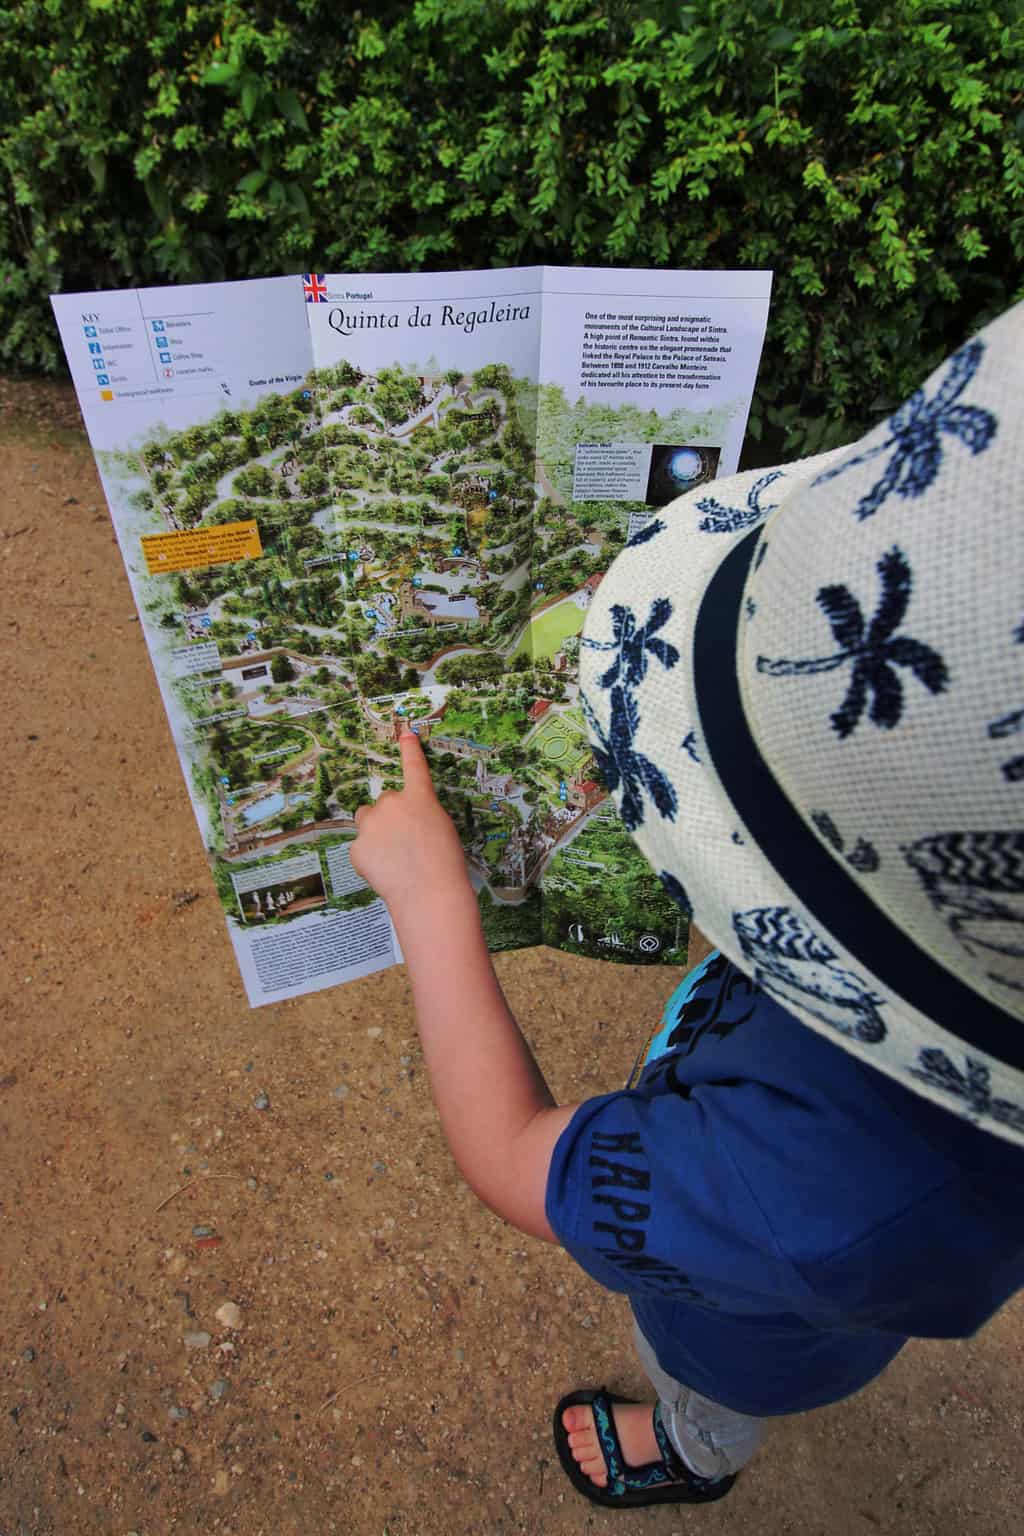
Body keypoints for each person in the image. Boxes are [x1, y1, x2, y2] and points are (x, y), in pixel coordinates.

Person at [350, 302, 1024, 1510]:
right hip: (821, 1269)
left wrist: (432, 903)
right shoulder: (922, 1061)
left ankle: (692, 1451)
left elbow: (513, 1163)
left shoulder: (813, 1193)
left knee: (712, 1376)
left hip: (751, 1334)